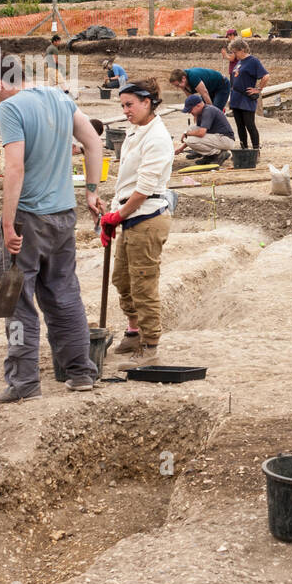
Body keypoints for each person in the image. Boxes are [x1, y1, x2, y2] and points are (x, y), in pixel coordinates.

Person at [0, 49, 104, 403]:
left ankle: (23, 384)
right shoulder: (59, 97)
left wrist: (9, 225)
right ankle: (81, 372)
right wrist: (92, 192)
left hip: (29, 217)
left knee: (17, 301)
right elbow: (94, 141)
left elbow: (15, 169)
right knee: (64, 294)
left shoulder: (10, 108)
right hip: (64, 215)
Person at [99, 81, 174, 371]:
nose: (125, 110)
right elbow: (128, 182)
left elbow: (144, 187)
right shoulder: (136, 131)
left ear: (147, 102)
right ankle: (133, 332)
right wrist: (116, 212)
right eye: (122, 105)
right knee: (122, 279)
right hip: (131, 214)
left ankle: (151, 348)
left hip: (146, 217)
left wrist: (118, 216)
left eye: (130, 104)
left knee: (143, 284)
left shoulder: (156, 137)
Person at [227, 38, 268, 150]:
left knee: (249, 125)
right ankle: (243, 148)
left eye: (235, 52)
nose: (234, 54)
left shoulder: (253, 61)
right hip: (236, 98)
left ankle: (255, 149)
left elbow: (265, 76)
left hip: (246, 99)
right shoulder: (239, 62)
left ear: (243, 49)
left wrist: (258, 89)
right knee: (240, 126)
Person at [176, 94, 237, 162]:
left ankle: (218, 154)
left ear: (198, 105)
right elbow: (195, 132)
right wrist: (181, 149)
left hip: (226, 140)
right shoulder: (201, 112)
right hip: (219, 138)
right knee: (191, 129)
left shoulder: (208, 111)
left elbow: (201, 133)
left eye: (190, 110)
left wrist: (187, 134)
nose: (189, 112)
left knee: (191, 140)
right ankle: (210, 156)